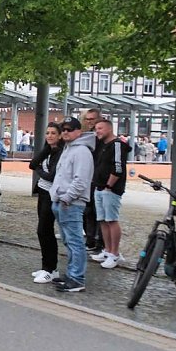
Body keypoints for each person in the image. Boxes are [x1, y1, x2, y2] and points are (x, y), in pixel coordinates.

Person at [49, 116, 95, 293]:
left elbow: (81, 180)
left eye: (69, 129)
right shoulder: (69, 149)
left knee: (75, 241)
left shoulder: (82, 151)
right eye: (64, 129)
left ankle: (77, 278)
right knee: (69, 240)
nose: (65, 132)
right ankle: (72, 274)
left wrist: (67, 198)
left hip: (71, 203)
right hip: (62, 201)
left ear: (78, 131)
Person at [89, 119, 130, 269]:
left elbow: (118, 167)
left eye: (100, 128)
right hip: (99, 187)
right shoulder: (102, 145)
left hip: (110, 189)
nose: (97, 131)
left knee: (112, 219)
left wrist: (109, 185)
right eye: (96, 128)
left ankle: (115, 253)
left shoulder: (117, 145)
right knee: (102, 220)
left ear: (109, 129)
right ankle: (107, 250)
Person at [29, 122, 64, 284]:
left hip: (52, 194)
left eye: (53, 133)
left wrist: (39, 171)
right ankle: (46, 267)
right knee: (43, 231)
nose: (50, 136)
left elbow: (51, 176)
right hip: (43, 192)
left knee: (44, 229)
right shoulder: (48, 150)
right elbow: (32, 163)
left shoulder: (61, 152)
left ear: (60, 135)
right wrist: (45, 151)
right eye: (48, 133)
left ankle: (51, 269)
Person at [80, 108, 104, 254]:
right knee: (87, 211)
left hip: (98, 180)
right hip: (88, 178)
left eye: (92, 119)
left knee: (97, 212)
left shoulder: (101, 138)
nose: (89, 122)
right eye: (87, 119)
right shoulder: (86, 137)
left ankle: (98, 242)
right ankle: (90, 240)